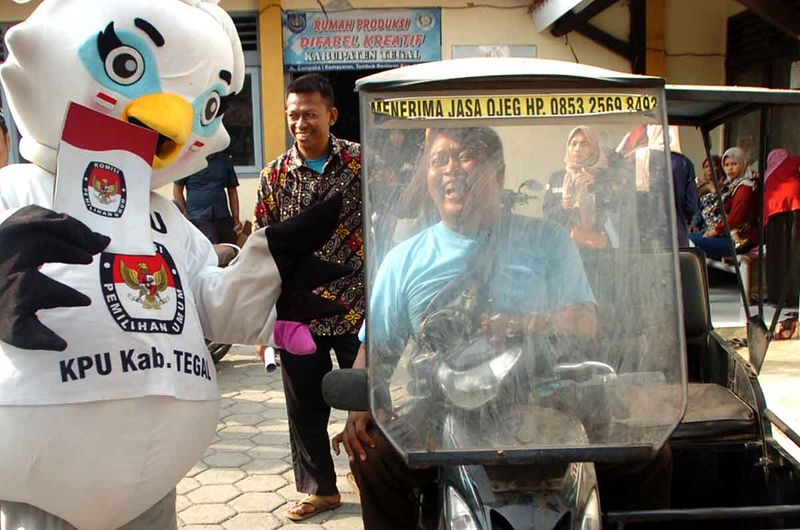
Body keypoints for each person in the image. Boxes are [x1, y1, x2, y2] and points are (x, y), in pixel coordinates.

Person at [333, 126, 604, 529]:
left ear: (499, 171)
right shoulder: (404, 260)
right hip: (444, 406)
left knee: (651, 456)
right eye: (439, 160)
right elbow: (378, 348)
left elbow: (586, 324)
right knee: (372, 456)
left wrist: (525, 324)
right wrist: (360, 403)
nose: (450, 170)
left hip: (546, 395)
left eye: (464, 157)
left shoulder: (548, 240)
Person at [254, 73, 364, 521]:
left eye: (310, 115)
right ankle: (320, 488)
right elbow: (262, 247)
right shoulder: (274, 176)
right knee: (304, 404)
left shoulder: (362, 162)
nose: (301, 123)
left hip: (358, 304)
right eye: (293, 115)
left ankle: (372, 467)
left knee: (372, 396)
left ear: (331, 116)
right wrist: (262, 320)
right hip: (299, 312)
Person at [689, 147, 758, 259]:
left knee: (688, 243)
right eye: (726, 165)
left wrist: (713, 232)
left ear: (742, 163)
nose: (730, 168)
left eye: (734, 164)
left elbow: (735, 218)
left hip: (739, 239)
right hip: (723, 233)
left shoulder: (745, 186)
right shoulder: (731, 185)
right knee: (682, 239)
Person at [173, 151, 241, 244]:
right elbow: (177, 190)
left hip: (222, 214)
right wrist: (185, 214)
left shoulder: (224, 160)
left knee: (230, 247)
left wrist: (236, 218)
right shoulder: (188, 160)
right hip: (198, 216)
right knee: (211, 248)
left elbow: (232, 190)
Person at [764, 148, 800, 305]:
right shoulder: (795, 161)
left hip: (774, 216)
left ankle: (778, 297)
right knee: (794, 252)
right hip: (795, 209)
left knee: (777, 255)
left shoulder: (767, 174)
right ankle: (794, 295)